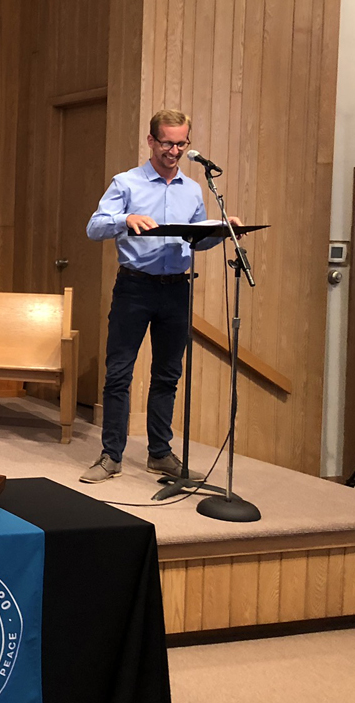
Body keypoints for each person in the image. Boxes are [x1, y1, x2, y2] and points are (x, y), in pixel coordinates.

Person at [79, 109, 237, 484]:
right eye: (167, 142)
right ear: (151, 141)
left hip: (177, 289)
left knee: (167, 375)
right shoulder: (126, 183)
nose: (174, 150)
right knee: (119, 374)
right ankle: (110, 456)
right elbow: (94, 227)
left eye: (182, 143)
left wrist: (226, 232)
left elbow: (196, 239)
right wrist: (124, 219)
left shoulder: (194, 189)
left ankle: (160, 455)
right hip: (135, 288)